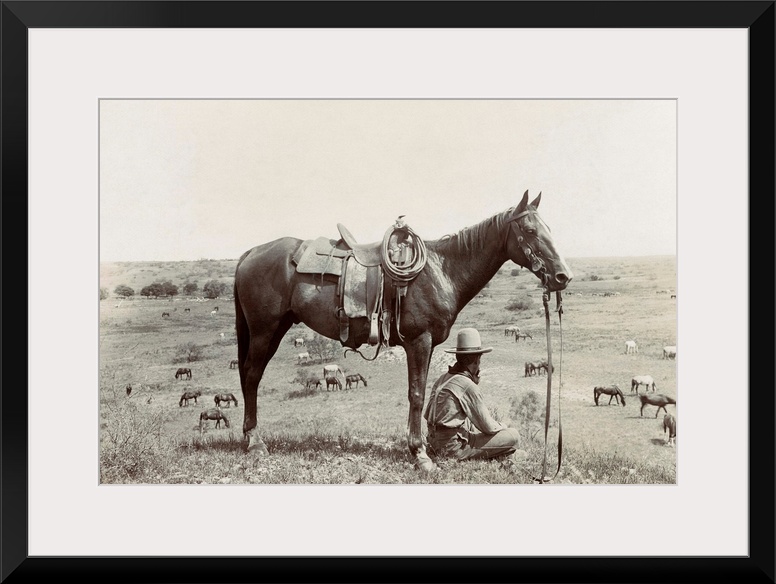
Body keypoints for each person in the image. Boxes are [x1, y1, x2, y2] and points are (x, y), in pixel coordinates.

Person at [424, 328, 520, 461]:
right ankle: (499, 454)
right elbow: (488, 427)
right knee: (513, 435)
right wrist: (503, 426)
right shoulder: (467, 384)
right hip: (453, 448)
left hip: (433, 444)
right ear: (475, 361)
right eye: (478, 361)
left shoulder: (442, 378)